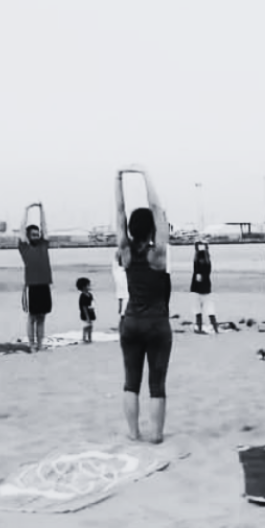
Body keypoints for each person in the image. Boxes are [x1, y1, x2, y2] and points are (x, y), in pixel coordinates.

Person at [115, 168, 172, 443]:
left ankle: (134, 432)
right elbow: (157, 209)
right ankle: (157, 435)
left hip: (131, 322)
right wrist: (146, 175)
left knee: (131, 382)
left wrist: (118, 179)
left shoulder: (125, 253)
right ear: (152, 229)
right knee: (156, 384)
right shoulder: (157, 255)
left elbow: (119, 212)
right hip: (157, 324)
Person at [18, 202, 53, 352]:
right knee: (32, 317)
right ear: (28, 236)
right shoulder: (24, 247)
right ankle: (32, 345)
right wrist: (26, 210)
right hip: (32, 286)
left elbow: (44, 227)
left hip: (44, 284)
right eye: (33, 234)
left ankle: (40, 344)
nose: (36, 236)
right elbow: (21, 230)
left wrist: (41, 209)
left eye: (37, 234)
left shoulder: (43, 244)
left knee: (42, 317)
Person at [190, 241, 219, 334]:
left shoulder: (198, 266)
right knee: (208, 312)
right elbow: (204, 256)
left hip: (199, 291)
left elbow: (199, 255)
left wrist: (198, 245)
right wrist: (204, 246)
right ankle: (215, 330)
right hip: (204, 291)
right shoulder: (206, 266)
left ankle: (201, 329)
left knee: (200, 312)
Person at [77, 277, 96, 343]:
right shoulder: (82, 296)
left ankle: (90, 337)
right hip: (85, 313)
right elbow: (84, 307)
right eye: (88, 285)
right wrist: (87, 317)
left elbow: (92, 302)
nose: (90, 286)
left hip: (91, 312)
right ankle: (84, 337)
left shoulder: (90, 295)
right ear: (83, 287)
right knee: (86, 326)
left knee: (90, 325)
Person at [111, 250, 129, 319]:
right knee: (123, 315)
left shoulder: (128, 269)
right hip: (124, 296)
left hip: (127, 296)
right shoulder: (116, 270)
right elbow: (116, 257)